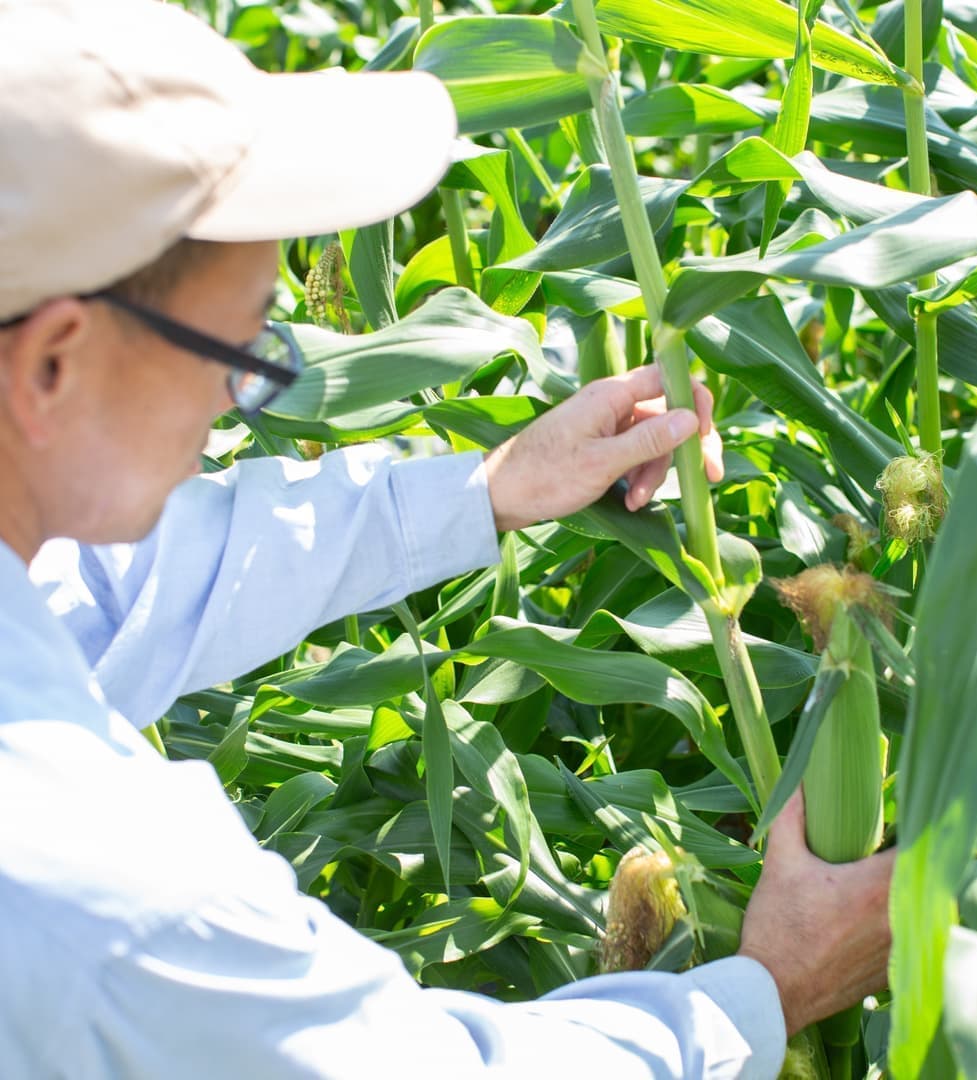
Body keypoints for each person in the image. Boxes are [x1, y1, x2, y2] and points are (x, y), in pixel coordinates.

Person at [0, 1, 895, 1077]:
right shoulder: (98, 881)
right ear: (54, 362)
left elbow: (111, 596)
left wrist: (490, 489)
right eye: (242, 356)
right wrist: (766, 992)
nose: (236, 406)